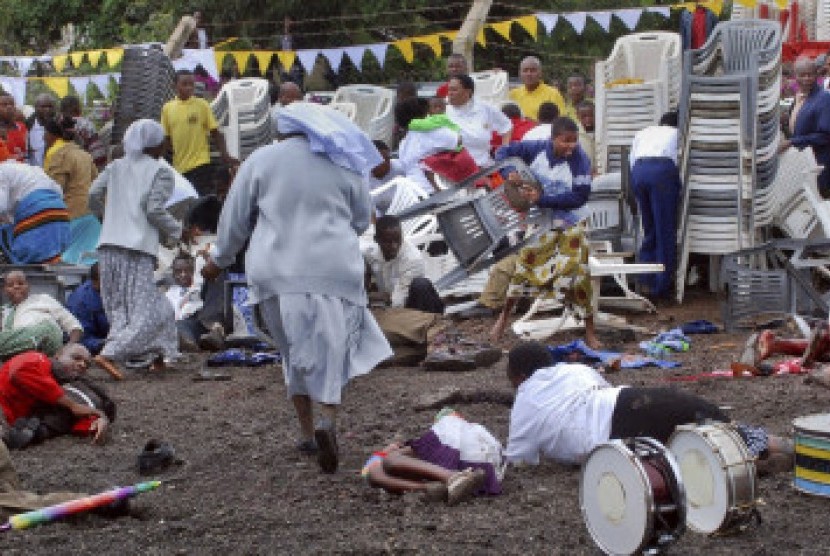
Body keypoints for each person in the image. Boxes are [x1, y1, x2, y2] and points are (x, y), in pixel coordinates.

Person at [201, 103, 393, 473]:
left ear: (281, 131)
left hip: (276, 271)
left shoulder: (261, 160)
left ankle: (306, 433)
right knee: (333, 349)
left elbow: (234, 220)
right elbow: (358, 219)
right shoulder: (343, 161)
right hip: (334, 270)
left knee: (293, 353)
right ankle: (328, 418)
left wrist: (218, 262)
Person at [503, 341, 794, 473]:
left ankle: (759, 462)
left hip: (617, 433)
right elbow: (599, 394)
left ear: (519, 377)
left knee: (690, 457)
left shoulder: (524, 403)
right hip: (633, 399)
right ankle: (786, 447)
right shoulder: (573, 370)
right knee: (719, 428)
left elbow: (519, 460)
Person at [487, 117, 598, 349]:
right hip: (539, 223)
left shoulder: (580, 161)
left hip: (571, 222)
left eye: (574, 141)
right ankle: (503, 319)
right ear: (553, 138)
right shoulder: (534, 149)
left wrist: (543, 199)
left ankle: (590, 331)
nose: (571, 146)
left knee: (579, 273)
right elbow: (502, 151)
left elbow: (580, 197)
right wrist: (510, 172)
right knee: (522, 270)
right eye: (565, 141)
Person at [88, 119, 182, 378]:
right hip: (136, 248)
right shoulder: (160, 171)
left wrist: (105, 219)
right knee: (143, 310)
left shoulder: (116, 166)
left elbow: (93, 194)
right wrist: (177, 230)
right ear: (156, 144)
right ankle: (110, 354)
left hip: (108, 246)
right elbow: (153, 209)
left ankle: (159, 354)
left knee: (121, 307)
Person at [362, 410, 501, 505]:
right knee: (383, 467)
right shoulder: (479, 432)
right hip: (487, 469)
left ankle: (443, 481)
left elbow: (366, 470)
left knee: (385, 464)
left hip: (463, 468)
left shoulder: (445, 433)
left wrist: (383, 452)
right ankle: (440, 486)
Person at [0, 345, 109, 448]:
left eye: (87, 364)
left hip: (10, 424)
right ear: (58, 354)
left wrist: (96, 420)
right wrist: (72, 405)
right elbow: (20, 371)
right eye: (76, 358)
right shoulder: (37, 358)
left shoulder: (65, 386)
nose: (82, 364)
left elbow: (82, 410)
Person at [629, 111, 681, 298]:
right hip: (661, 171)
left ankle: (646, 280)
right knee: (664, 230)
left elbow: (632, 159)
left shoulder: (645, 131)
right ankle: (662, 286)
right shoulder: (677, 134)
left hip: (639, 172)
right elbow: (680, 163)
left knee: (649, 228)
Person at [161, 69, 236, 196]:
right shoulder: (167, 108)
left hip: (201, 163)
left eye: (191, 84)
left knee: (201, 198)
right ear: (174, 86)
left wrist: (225, 155)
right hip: (179, 166)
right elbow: (166, 138)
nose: (189, 88)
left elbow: (215, 133)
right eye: (184, 84)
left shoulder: (202, 105)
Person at [43, 115, 101, 265]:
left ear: (54, 134)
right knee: (90, 261)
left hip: (71, 215)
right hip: (90, 215)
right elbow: (97, 183)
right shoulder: (85, 155)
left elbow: (54, 190)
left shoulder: (59, 155)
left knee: (68, 263)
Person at [364, 215, 443, 314]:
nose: (394, 246)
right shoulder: (369, 253)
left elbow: (399, 299)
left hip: (417, 304)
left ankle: (430, 323)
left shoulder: (413, 259)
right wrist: (365, 295)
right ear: (377, 240)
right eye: (388, 242)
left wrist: (380, 298)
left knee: (421, 284)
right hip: (390, 302)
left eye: (398, 240)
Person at [396, 96, 477, 191]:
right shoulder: (430, 131)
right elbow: (458, 140)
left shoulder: (403, 144)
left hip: (412, 192)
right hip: (432, 194)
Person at [0, 271, 83, 361]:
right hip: (21, 353)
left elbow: (74, 326)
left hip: (47, 336)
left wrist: (67, 348)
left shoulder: (43, 299)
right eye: (10, 285)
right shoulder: (4, 311)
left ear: (28, 286)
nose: (16, 287)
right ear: (4, 290)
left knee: (45, 330)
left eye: (21, 283)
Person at [0, 161, 70, 265]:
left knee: (4, 234)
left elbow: (1, 206)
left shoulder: (2, 172)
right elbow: (58, 190)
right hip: (61, 214)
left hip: (37, 213)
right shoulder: (32, 170)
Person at [780, 56, 830, 199]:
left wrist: (792, 142)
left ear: (816, 74)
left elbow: (825, 135)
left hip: (820, 165)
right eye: (802, 75)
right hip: (803, 163)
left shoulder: (824, 99)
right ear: (795, 76)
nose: (807, 78)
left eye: (810, 74)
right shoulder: (800, 97)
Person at [446, 75, 512, 167]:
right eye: (449, 90)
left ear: (467, 92)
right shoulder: (442, 110)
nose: (450, 93)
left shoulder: (485, 108)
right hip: (451, 169)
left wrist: (504, 150)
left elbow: (506, 126)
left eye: (454, 90)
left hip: (483, 168)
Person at [165, 252, 225, 352]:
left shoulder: (200, 284)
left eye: (187, 271)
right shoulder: (169, 295)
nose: (183, 275)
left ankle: (216, 333)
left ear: (193, 271)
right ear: (173, 274)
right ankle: (190, 344)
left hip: (205, 319)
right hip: (186, 324)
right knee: (181, 326)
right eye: (178, 272)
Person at [66, 263, 109, 356]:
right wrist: (102, 344)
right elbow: (82, 337)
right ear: (96, 282)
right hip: (94, 346)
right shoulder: (81, 301)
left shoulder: (114, 292)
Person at [508, 57, 565, 121]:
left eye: (533, 70)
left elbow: (560, 122)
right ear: (520, 73)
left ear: (540, 73)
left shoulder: (553, 94)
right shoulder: (513, 94)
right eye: (525, 70)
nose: (528, 74)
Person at [59, 95, 107, 170]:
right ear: (77, 108)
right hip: (97, 163)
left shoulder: (61, 125)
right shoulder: (87, 123)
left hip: (81, 167)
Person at [25, 94, 55, 167]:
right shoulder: (28, 123)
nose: (47, 109)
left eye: (50, 106)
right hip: (32, 169)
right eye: (43, 106)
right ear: (36, 107)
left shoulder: (57, 124)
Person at [0, 93, 27, 163]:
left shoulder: (22, 127)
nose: (9, 107)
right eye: (4, 104)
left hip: (20, 171)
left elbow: (26, 152)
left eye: (12, 104)